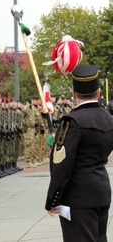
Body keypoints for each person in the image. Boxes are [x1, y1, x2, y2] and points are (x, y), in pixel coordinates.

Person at [45, 64, 113, 242]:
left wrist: (53, 199)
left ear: (74, 94)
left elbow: (61, 165)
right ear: (98, 93)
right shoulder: (109, 118)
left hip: (78, 195)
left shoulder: (71, 121)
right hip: (101, 189)